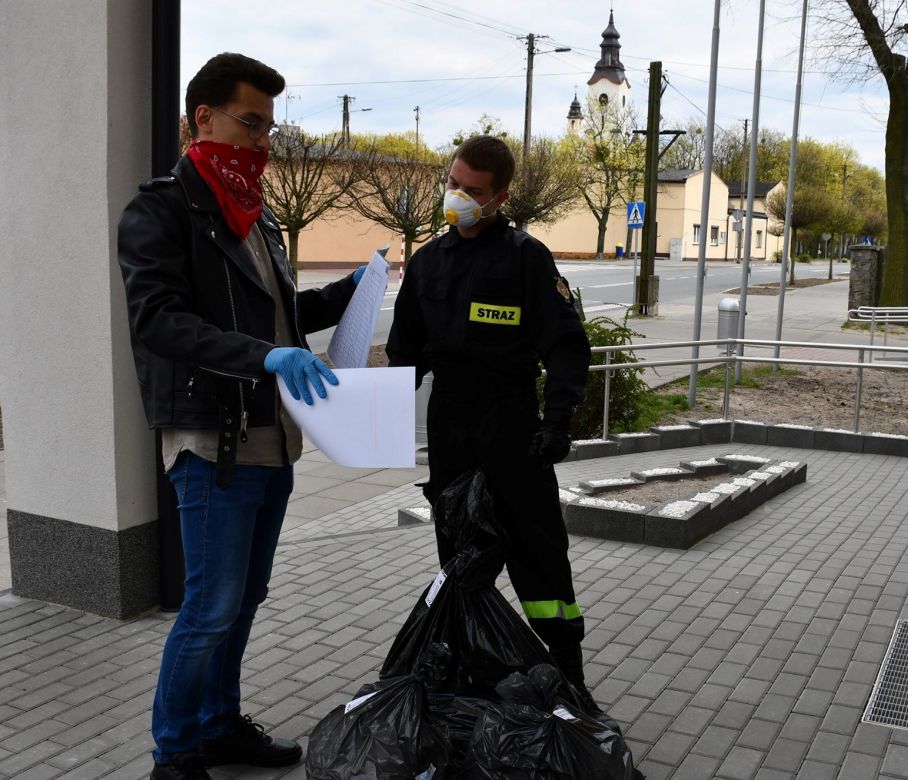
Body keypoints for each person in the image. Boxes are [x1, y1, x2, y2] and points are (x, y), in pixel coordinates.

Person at [118, 53, 363, 780]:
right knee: (210, 606)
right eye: (250, 124)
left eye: (268, 128)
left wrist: (353, 291)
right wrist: (263, 358)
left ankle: (220, 727)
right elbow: (160, 320)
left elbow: (284, 321)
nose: (262, 143)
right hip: (210, 438)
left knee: (244, 600)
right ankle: (175, 752)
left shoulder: (255, 215)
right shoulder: (159, 211)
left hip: (271, 438)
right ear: (203, 117)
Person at [385, 136, 600, 715]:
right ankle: (466, 671)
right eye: (453, 183)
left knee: (540, 560)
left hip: (513, 431)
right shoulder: (429, 261)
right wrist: (362, 407)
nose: (457, 197)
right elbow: (404, 357)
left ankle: (567, 679)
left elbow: (567, 347)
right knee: (459, 562)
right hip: (451, 430)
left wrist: (558, 422)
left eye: (472, 191)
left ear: (500, 197)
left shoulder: (526, 258)